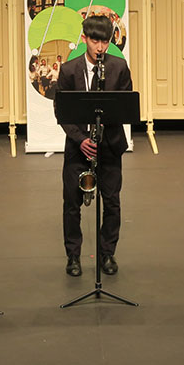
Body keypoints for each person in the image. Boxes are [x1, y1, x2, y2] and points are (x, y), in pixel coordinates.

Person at [57, 15, 132, 276]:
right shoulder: (68, 70)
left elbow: (126, 107)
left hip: (109, 146)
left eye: (105, 42)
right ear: (84, 39)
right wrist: (81, 139)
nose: (100, 48)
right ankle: (73, 256)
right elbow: (61, 112)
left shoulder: (119, 68)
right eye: (95, 41)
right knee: (71, 205)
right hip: (79, 148)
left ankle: (107, 253)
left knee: (112, 203)